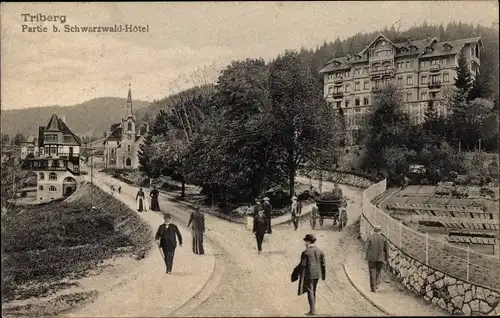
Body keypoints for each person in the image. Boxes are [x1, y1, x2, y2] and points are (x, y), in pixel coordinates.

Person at [292, 234, 325, 316]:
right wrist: (323, 275)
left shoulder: (306, 252)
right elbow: (323, 264)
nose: (305, 244)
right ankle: (313, 308)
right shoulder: (320, 251)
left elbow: (302, 265)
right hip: (317, 274)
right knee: (313, 290)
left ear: (308, 242)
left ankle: (312, 311)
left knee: (310, 291)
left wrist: (295, 272)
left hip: (309, 274)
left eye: (305, 242)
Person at [364, 225, 389, 292]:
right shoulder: (383, 239)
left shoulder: (370, 238)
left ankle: (373, 288)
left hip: (371, 258)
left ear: (374, 230)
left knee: (372, 271)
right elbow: (386, 250)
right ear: (380, 231)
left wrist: (366, 255)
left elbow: (365, 247)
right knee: (378, 270)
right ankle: (377, 284)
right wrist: (386, 259)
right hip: (380, 258)